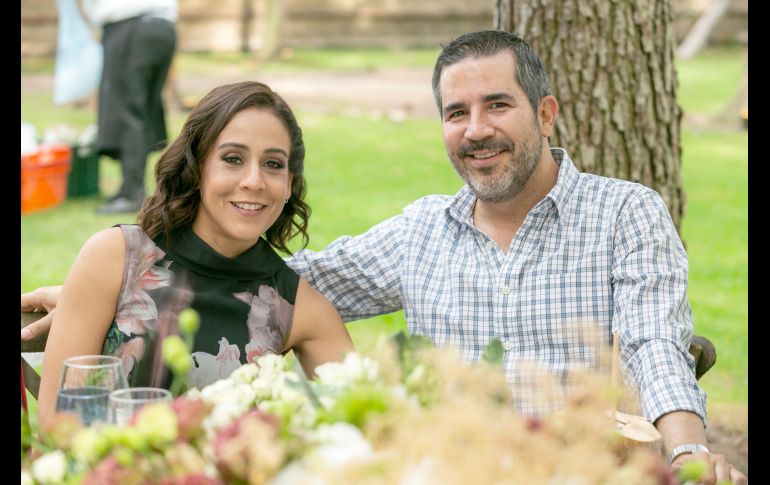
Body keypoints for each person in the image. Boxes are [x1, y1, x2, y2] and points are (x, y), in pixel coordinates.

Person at [22, 30, 745, 484]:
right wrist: (108, 279)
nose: (476, 129)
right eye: (456, 113)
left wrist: (684, 452)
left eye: (498, 106)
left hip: (572, 470)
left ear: (546, 114)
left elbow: (657, 343)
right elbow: (269, 277)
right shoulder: (420, 231)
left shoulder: (625, 212)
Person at [33, 81, 353, 430]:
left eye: (273, 164)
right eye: (233, 159)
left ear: (289, 183)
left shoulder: (301, 308)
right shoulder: (115, 258)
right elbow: (58, 421)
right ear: (197, 168)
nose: (254, 181)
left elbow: (361, 428)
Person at [78, 0, 177, 214]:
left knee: (126, 111)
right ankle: (131, 188)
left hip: (131, 28)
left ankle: (132, 193)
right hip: (163, 27)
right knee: (143, 109)